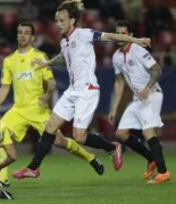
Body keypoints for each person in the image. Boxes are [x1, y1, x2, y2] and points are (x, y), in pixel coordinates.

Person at [12, 0, 151, 179]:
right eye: (56, 20)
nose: (58, 24)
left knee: (79, 137)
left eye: (62, 20)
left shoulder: (84, 34)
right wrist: (47, 63)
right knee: (50, 127)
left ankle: (113, 147)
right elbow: (64, 56)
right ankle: (33, 168)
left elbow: (111, 37)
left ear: (72, 21)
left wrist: (137, 40)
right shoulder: (64, 42)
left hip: (87, 90)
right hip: (72, 90)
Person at [0, 22, 105, 185]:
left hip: (38, 109)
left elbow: (51, 83)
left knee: (60, 142)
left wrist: (46, 95)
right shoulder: (9, 61)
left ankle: (91, 157)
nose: (22, 35)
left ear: (32, 37)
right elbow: (4, 87)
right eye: (20, 32)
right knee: (0, 138)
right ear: (17, 36)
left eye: (26, 33)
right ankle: (1, 180)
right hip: (18, 110)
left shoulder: (40, 57)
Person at [108, 20, 171, 184]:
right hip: (138, 99)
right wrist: (114, 109)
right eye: (117, 33)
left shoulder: (138, 50)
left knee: (148, 132)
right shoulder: (116, 57)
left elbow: (156, 69)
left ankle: (163, 172)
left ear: (130, 35)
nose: (120, 36)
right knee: (121, 134)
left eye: (123, 33)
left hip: (152, 95)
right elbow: (119, 82)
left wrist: (147, 88)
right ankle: (151, 159)